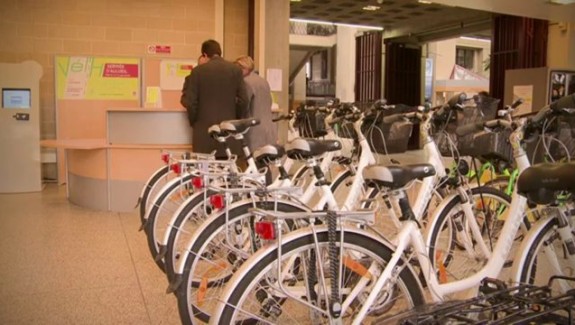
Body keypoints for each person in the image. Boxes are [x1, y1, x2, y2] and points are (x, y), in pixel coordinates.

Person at [180, 40, 248, 157]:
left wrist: (194, 122)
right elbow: (244, 100)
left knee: (205, 171)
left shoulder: (197, 72)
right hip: (228, 131)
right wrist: (235, 118)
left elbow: (191, 102)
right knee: (227, 171)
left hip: (204, 133)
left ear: (205, 55)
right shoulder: (235, 70)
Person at [234, 55, 277, 150]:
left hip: (253, 131)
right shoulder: (264, 81)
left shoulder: (245, 82)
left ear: (242, 68)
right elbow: (269, 102)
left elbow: (244, 103)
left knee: (251, 161)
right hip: (268, 130)